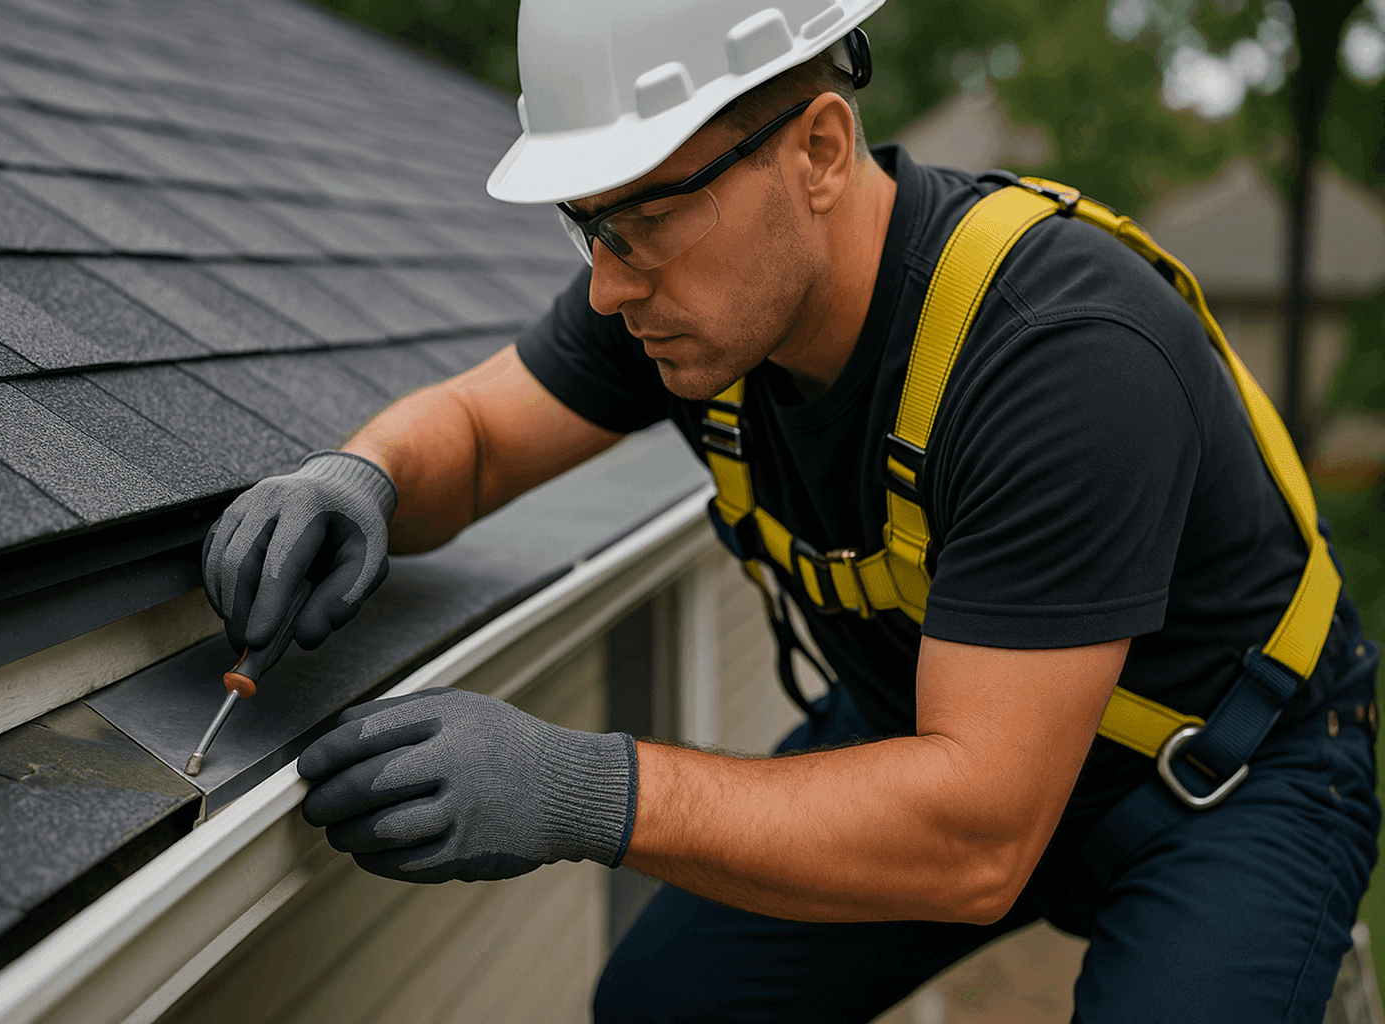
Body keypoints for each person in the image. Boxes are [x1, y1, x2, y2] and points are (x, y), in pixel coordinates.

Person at [200, 1, 1381, 1020]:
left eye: (643, 223)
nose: (608, 284)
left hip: (1221, 776)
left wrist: (580, 790)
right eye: (587, 227)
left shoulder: (1060, 355)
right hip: (942, 733)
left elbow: (974, 833)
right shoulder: (693, 299)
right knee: (667, 1003)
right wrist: (359, 477)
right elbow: (476, 432)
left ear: (819, 149)